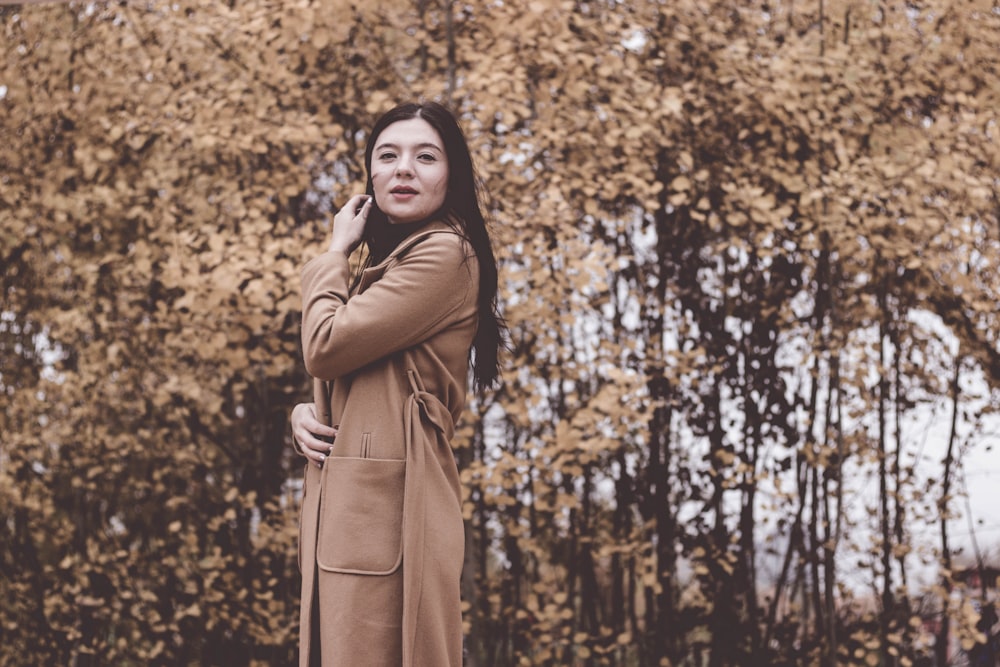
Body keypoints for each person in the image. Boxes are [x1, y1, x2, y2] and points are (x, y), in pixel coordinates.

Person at [289, 101, 504, 667]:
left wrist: (333, 251)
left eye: (425, 156)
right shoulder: (390, 263)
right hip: (356, 517)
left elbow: (325, 346)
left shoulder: (445, 255)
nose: (403, 169)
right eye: (388, 155)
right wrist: (303, 415)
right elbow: (354, 369)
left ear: (450, 175)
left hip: (391, 519)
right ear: (371, 175)